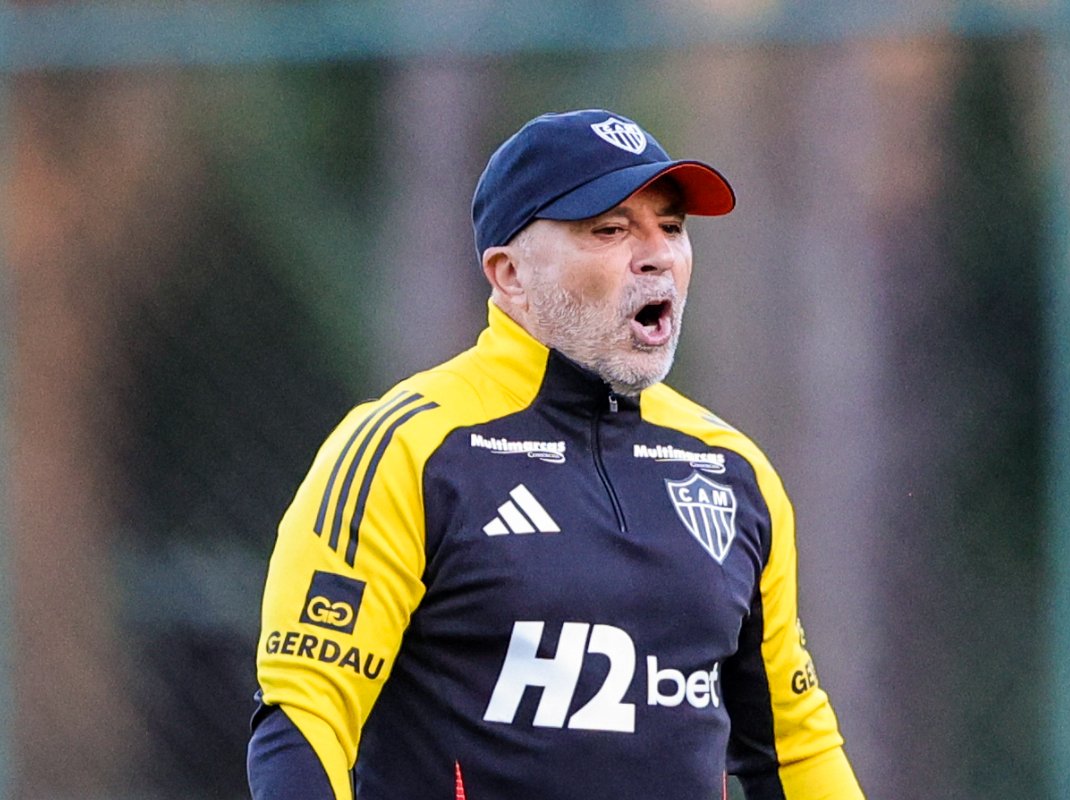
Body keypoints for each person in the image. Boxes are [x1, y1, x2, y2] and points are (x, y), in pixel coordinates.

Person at [247, 108, 863, 800]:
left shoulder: (732, 469)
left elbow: (797, 746)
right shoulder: (412, 450)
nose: (657, 253)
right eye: (610, 229)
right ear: (509, 274)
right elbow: (306, 717)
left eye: (672, 226)